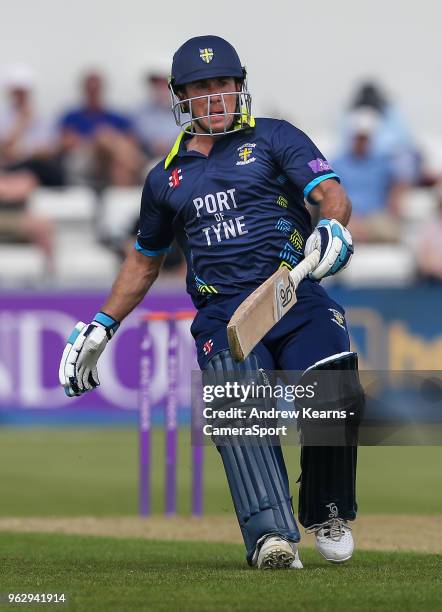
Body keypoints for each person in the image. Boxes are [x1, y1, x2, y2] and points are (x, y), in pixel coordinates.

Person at [59, 35, 359, 570]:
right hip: (224, 311)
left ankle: (328, 509)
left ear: (239, 87)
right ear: (181, 97)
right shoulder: (164, 177)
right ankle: (270, 538)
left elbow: (329, 192)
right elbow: (144, 260)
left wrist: (333, 226)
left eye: (223, 84)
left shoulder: (274, 137)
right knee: (240, 408)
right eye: (202, 88)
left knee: (334, 373)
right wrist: (102, 325)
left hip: (292, 289)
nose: (215, 96)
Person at [333, 108, 412, 243]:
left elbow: (401, 181)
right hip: (348, 217)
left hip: (376, 216)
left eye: (365, 138)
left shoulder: (382, 162)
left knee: (391, 231)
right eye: (359, 138)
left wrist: (395, 201)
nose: (361, 142)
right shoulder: (337, 163)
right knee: (341, 230)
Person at [58, 71, 142, 188]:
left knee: (118, 164)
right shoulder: (72, 117)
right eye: (90, 90)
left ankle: (121, 199)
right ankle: (137, 166)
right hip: (84, 157)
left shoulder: (116, 116)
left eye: (96, 90)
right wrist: (96, 139)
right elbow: (65, 142)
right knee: (103, 138)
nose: (93, 93)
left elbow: (131, 141)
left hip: (114, 158)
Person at [132, 71, 179, 160]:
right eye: (156, 84)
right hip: (147, 159)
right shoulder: (140, 111)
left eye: (164, 83)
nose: (160, 89)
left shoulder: (187, 109)